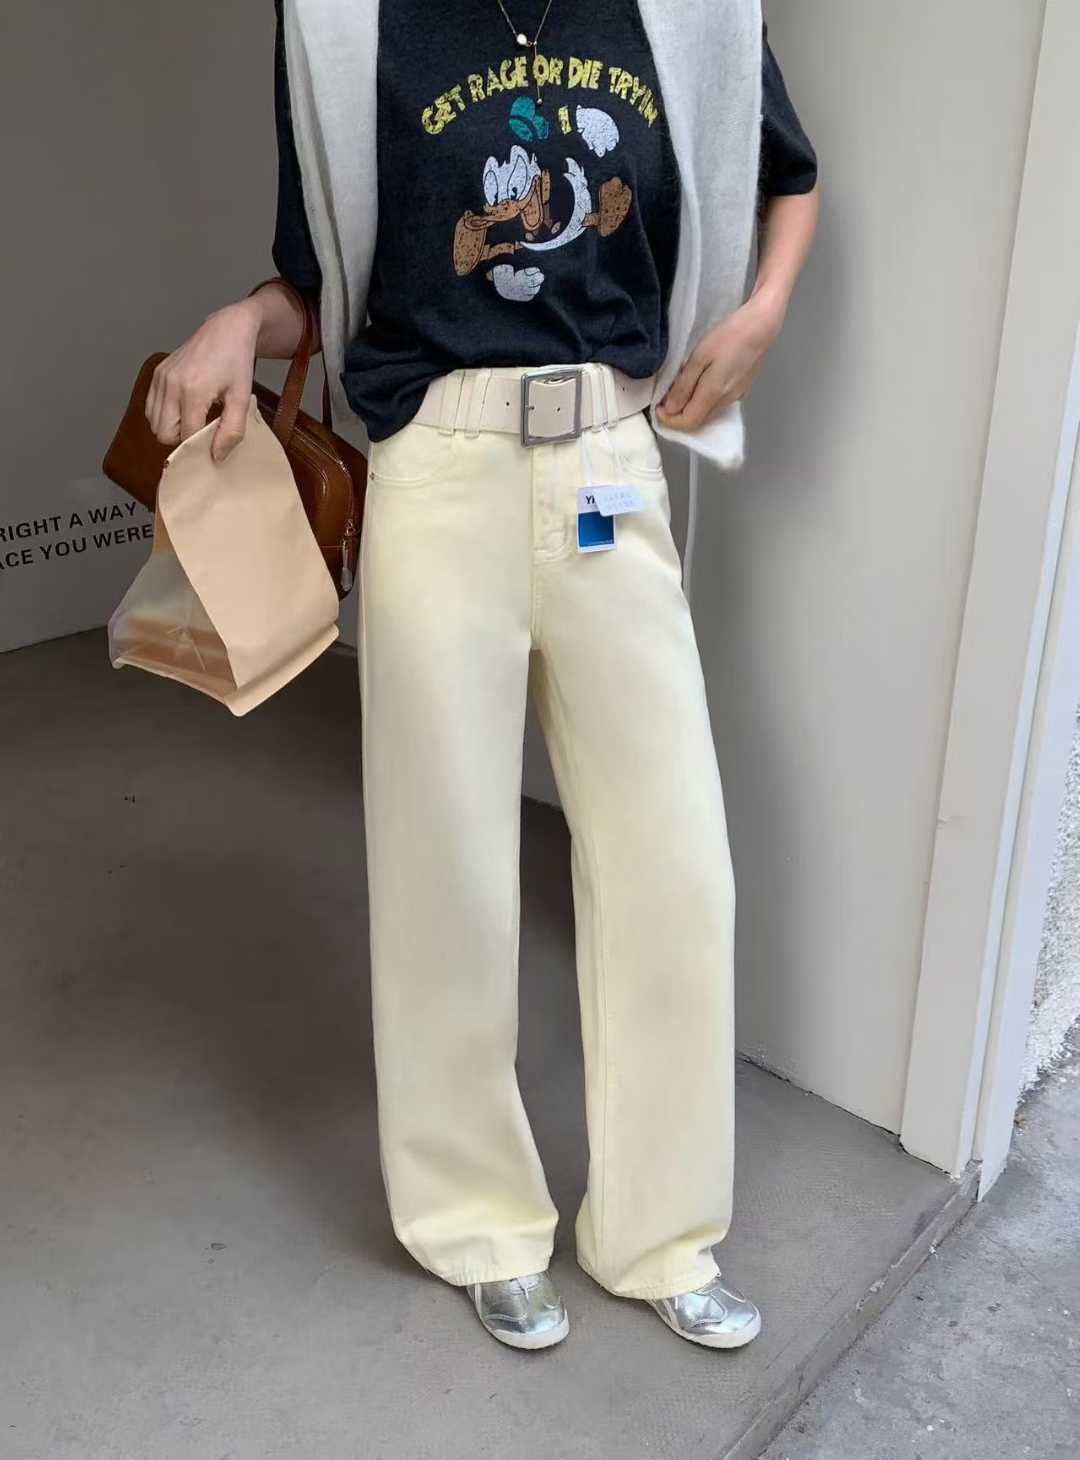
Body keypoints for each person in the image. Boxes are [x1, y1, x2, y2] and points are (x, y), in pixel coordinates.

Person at [146, 0, 818, 1352]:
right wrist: (237, 320)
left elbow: (785, 173)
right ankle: (477, 1221)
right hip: (437, 473)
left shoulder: (681, 10)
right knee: (444, 862)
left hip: (609, 463)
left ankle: (661, 1234)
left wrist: (761, 314)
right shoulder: (345, 23)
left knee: (675, 863)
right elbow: (328, 276)